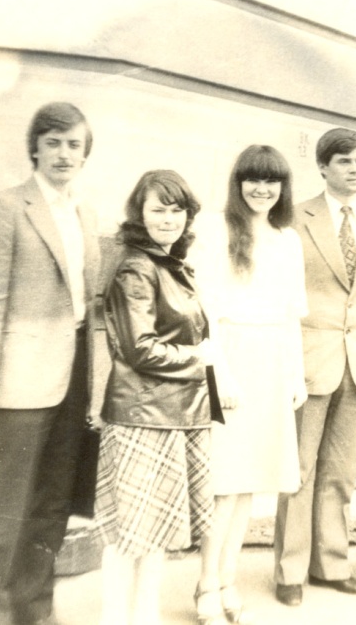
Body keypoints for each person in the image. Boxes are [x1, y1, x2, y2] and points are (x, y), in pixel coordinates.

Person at [0, 102, 101, 625]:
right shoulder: (6, 208)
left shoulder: (85, 212)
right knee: (7, 508)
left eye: (73, 145)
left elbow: (87, 302)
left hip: (74, 376)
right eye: (53, 143)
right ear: (35, 149)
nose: (64, 154)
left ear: (85, 154)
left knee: (52, 506)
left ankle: (35, 610)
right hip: (20, 381)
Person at [95, 169, 224, 625]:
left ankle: (144, 615)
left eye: (177, 210)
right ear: (139, 213)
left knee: (154, 531)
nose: (168, 219)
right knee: (128, 533)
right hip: (142, 417)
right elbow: (140, 348)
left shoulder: (169, 264)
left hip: (172, 413)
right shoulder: (137, 267)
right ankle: (116, 618)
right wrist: (199, 358)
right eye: (158, 210)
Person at [272, 127, 356, 607]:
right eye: (344, 161)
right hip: (310, 356)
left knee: (341, 471)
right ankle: (290, 570)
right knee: (299, 469)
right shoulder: (294, 218)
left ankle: (332, 564)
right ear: (323, 166)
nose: (355, 168)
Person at [189, 145, 308, 624]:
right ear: (238, 183)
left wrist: (295, 374)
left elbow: (292, 315)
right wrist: (219, 373)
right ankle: (205, 583)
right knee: (225, 483)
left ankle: (228, 578)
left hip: (273, 362)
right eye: (253, 179)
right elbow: (205, 312)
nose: (262, 189)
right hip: (231, 356)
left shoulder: (287, 239)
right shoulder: (215, 229)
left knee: (251, 483)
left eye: (271, 181)